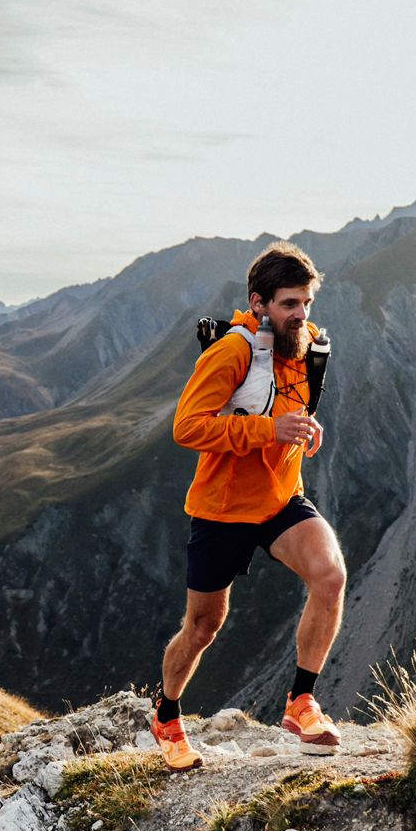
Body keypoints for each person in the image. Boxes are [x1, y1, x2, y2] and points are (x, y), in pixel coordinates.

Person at [152, 241, 347, 771]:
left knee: (329, 577)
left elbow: (286, 407)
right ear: (259, 303)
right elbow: (187, 427)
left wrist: (302, 427)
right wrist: (268, 430)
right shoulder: (232, 352)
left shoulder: (305, 346)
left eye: (306, 303)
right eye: (289, 304)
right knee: (203, 626)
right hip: (221, 510)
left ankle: (302, 702)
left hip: (282, 500)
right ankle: (166, 716)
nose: (301, 315)